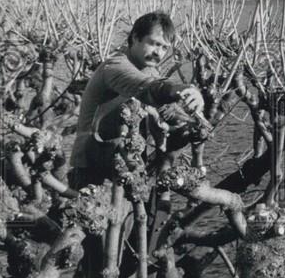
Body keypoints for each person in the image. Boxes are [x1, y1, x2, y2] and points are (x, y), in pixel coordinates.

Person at [69, 10, 204, 190]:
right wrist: (183, 90)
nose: (158, 52)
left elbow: (164, 107)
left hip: (126, 164)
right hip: (92, 168)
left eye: (164, 48)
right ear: (135, 38)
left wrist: (190, 117)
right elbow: (147, 88)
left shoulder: (150, 70)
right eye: (154, 44)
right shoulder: (115, 66)